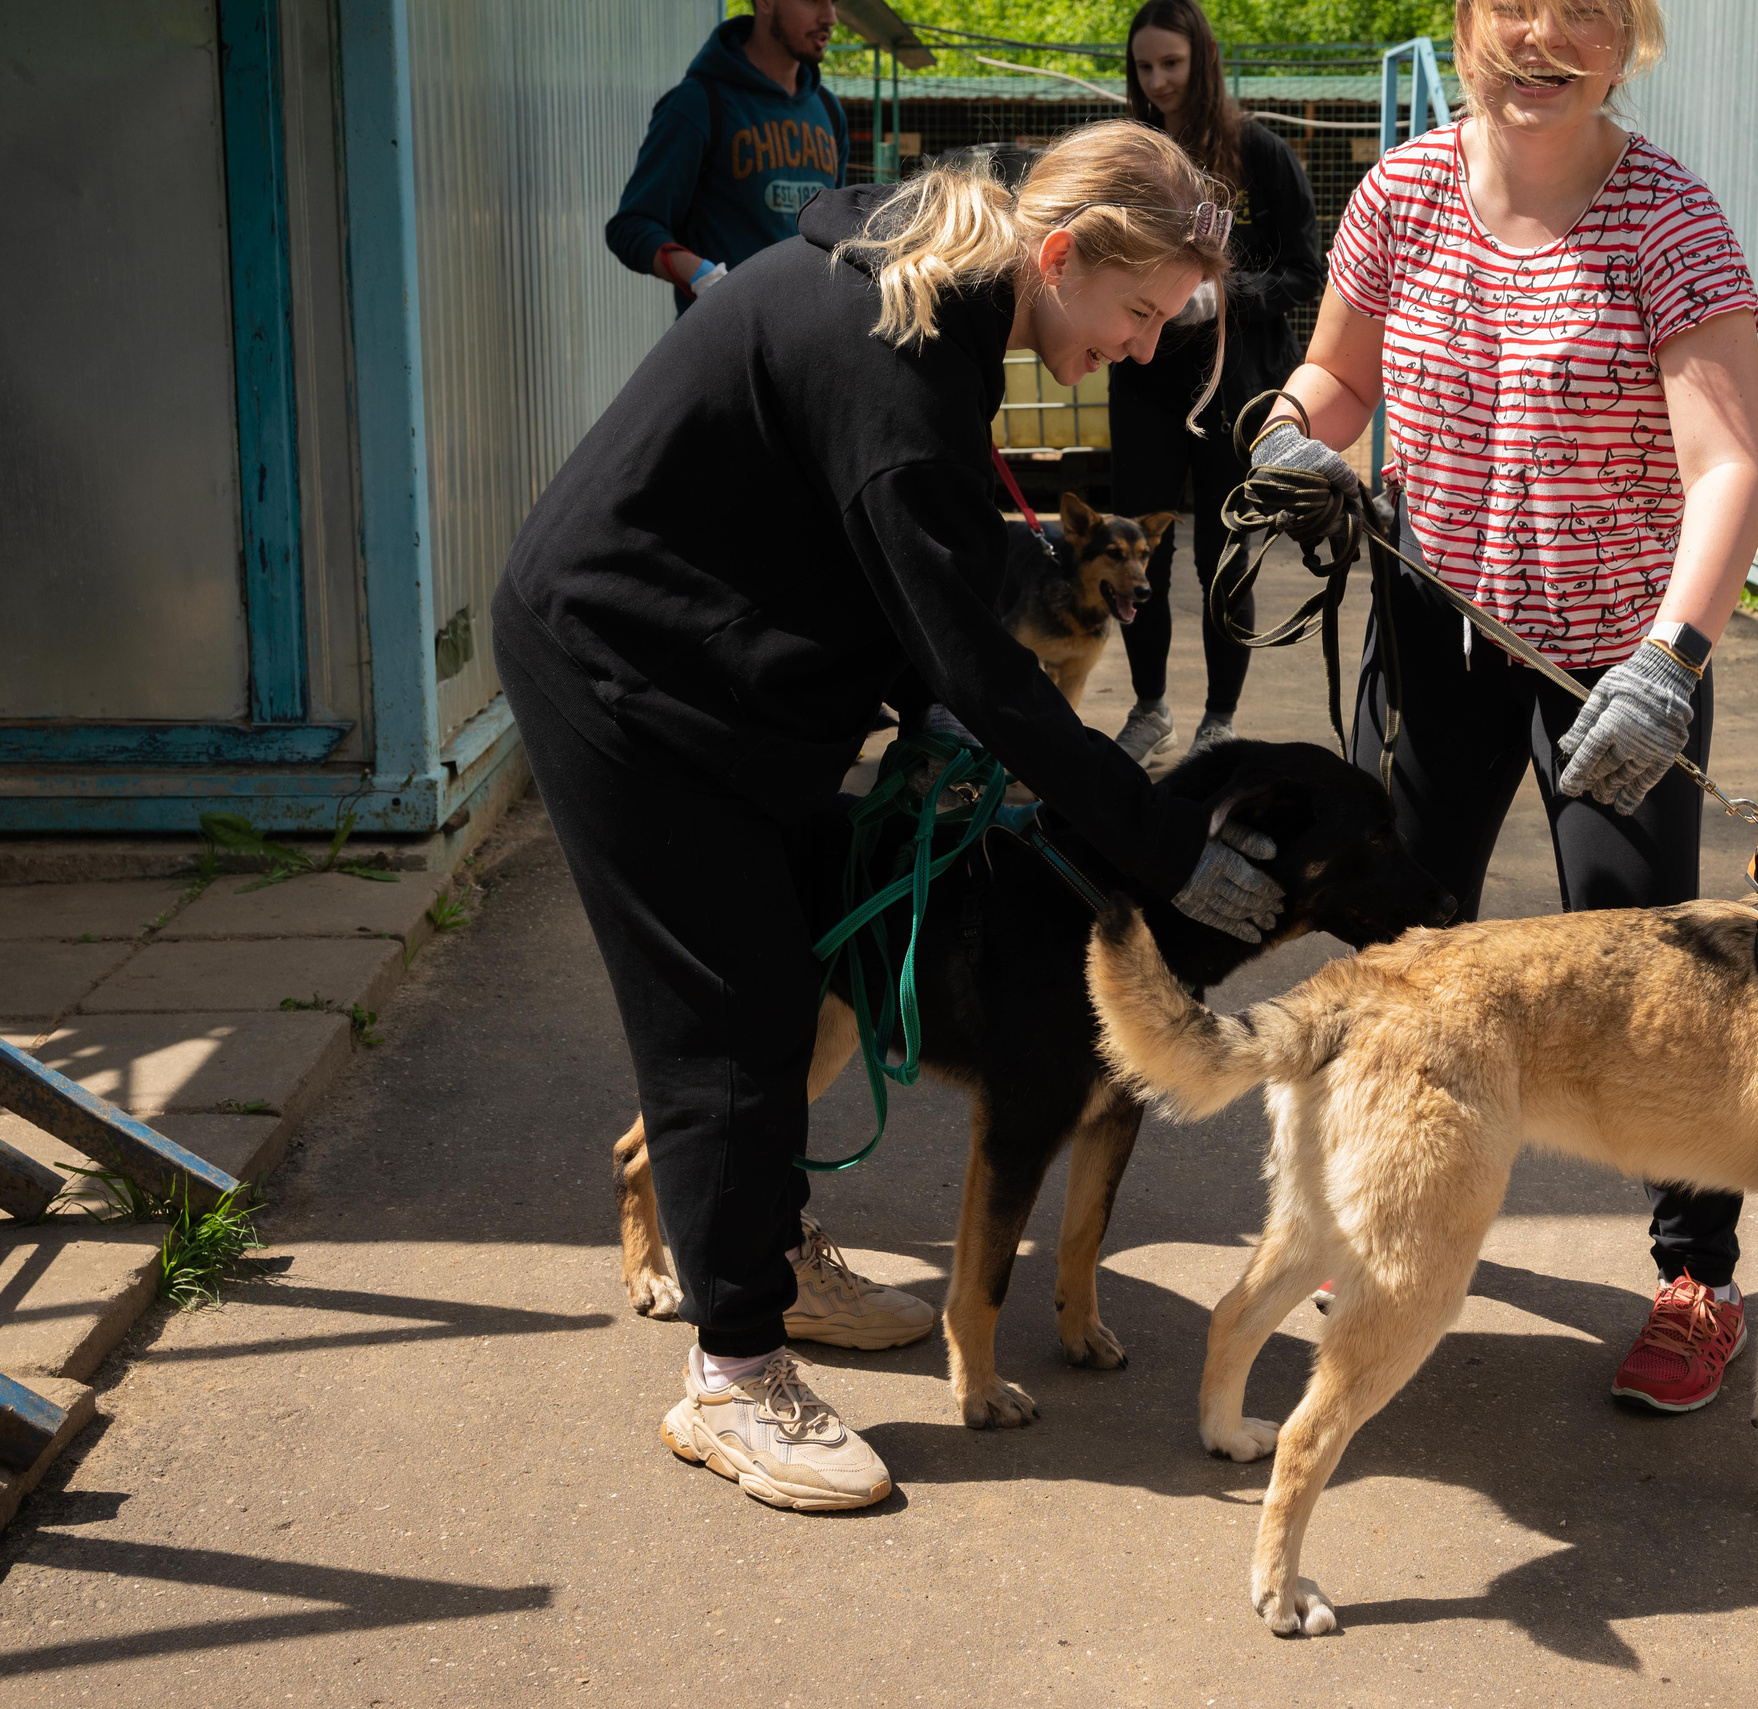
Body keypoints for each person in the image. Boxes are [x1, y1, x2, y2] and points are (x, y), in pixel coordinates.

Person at [498, 123, 1274, 1510]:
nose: (1145, 349)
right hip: (627, 672)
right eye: (1141, 312)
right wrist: (1157, 843)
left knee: (798, 977)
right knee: (728, 1015)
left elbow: (934, 565)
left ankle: (772, 1253)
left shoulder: (946, 297)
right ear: (1059, 258)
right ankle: (734, 1377)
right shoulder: (903, 351)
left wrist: (945, 714)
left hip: (733, 674)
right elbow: (984, 663)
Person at [1248, 0, 1758, 1413]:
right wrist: (1295, 435)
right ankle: (1364, 1218)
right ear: (1464, 20)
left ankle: (1698, 1274)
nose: (1546, 40)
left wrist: (1673, 659)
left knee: (1651, 986)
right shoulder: (1401, 193)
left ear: (1633, 36)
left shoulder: (1670, 218)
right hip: (1439, 629)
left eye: (1588, 12)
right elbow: (1341, 377)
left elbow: (1726, 469)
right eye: (1513, 10)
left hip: (1618, 652)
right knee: (1393, 943)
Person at [1106, 0, 1325, 763]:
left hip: (1233, 391)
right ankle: (1150, 707)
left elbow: (1306, 270)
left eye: (1172, 63)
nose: (1159, 81)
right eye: (1144, 67)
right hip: (1142, 382)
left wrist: (1223, 296)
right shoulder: (1131, 159)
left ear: (1202, 61)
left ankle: (1219, 723)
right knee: (1138, 553)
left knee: (1223, 558)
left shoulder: (1255, 152)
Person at [605, 0, 850, 314]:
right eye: (813, 1)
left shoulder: (829, 111)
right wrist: (702, 276)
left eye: (834, 2)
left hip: (807, 344)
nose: (830, 17)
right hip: (725, 348)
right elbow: (631, 226)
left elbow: (832, 231)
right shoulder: (698, 103)